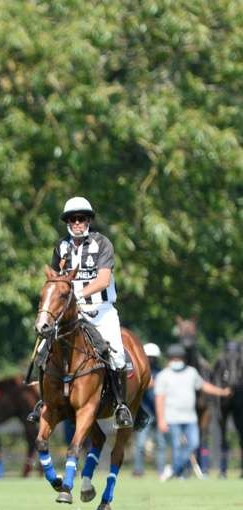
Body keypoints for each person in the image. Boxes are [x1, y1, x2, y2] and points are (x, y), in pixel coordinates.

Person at [49, 196, 134, 428]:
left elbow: (104, 279)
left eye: (82, 218)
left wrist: (78, 293)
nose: (78, 223)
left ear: (88, 221)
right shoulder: (61, 247)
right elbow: (56, 279)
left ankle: (120, 405)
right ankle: (43, 401)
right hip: (71, 311)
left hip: (101, 309)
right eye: (73, 219)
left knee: (116, 352)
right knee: (44, 345)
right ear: (67, 222)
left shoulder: (102, 243)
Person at [156, 343, 231, 481]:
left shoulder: (191, 372)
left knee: (194, 443)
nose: (177, 361)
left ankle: (173, 469)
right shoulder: (163, 376)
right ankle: (179, 474)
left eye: (179, 359)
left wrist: (221, 391)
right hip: (172, 418)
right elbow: (159, 399)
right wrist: (161, 419)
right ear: (169, 360)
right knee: (177, 447)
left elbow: (204, 386)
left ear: (183, 359)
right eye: (174, 359)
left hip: (190, 418)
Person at [133, 342, 163, 476]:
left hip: (161, 413)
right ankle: (138, 470)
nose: (150, 360)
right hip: (146, 413)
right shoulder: (140, 372)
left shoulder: (161, 373)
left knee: (161, 444)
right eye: (148, 357)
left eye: (153, 357)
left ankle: (161, 471)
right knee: (140, 444)